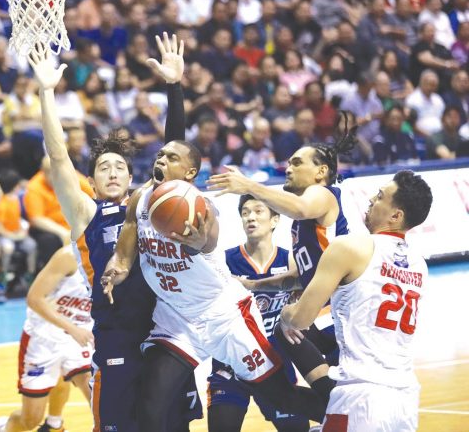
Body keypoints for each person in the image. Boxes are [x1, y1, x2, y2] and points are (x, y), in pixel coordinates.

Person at [26, 34, 202, 432]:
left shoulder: (149, 203)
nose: (112, 171)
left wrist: (174, 87)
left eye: (119, 167)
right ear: (90, 179)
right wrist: (46, 93)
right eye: (103, 167)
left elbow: (177, 150)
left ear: (130, 175)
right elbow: (57, 156)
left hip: (166, 329)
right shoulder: (87, 212)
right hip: (117, 334)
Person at [102, 138, 326, 431]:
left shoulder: (201, 206)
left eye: (171, 157)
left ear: (190, 173)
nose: (161, 160)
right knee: (150, 401)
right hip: (176, 317)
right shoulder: (141, 200)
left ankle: (343, 414)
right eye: (160, 155)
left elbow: (208, 239)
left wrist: (197, 242)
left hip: (225, 317)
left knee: (281, 399)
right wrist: (115, 269)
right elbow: (123, 252)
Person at [207, 113, 358, 404]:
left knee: (288, 330)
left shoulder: (323, 196)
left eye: (297, 162)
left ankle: (338, 412)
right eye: (288, 162)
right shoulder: (303, 219)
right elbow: (300, 277)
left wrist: (250, 186)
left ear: (320, 171)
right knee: (288, 355)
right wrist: (251, 286)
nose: (288, 168)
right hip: (328, 313)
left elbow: (300, 208)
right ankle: (333, 411)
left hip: (345, 312)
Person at [280, 170, 433, 430]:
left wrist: (286, 314)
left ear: (396, 215)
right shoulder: (419, 264)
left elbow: (301, 319)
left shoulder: (348, 247)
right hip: (405, 396)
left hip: (361, 395)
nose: (372, 199)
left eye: (381, 196)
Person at [208, 194, 308, 432]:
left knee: (297, 428)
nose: (250, 217)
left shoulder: (291, 259)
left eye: (258, 211)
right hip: (230, 362)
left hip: (275, 361)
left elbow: (304, 293)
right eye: (245, 212)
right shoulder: (224, 260)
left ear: (275, 220)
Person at [0, 246, 94, 432]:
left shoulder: (117, 256)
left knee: (99, 405)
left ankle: (54, 424)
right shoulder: (68, 256)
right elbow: (34, 299)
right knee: (30, 420)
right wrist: (71, 329)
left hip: (82, 338)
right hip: (44, 337)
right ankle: (3, 428)